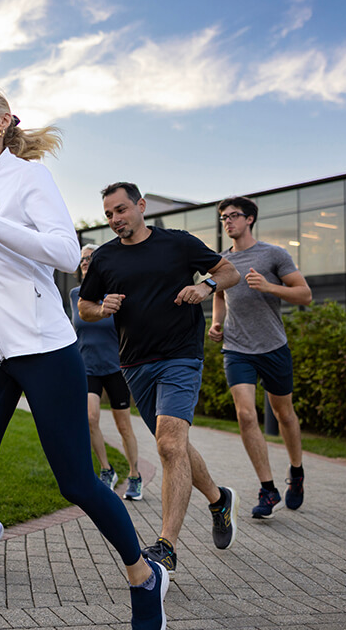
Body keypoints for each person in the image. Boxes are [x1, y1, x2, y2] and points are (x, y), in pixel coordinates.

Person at [0, 84, 167, 630]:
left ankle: (143, 576)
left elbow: (63, 253)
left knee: (77, 482)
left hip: (42, 346)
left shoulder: (28, 177)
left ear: (3, 120)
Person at [78, 181, 242, 576]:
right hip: (134, 364)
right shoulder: (104, 259)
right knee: (175, 447)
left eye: (121, 210)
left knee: (169, 444)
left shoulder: (178, 243)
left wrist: (205, 286)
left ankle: (166, 546)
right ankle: (219, 500)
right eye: (109, 215)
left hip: (181, 355)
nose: (116, 220)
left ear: (141, 206)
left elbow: (229, 271)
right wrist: (102, 309)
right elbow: (84, 307)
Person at [209, 196, 312, 518]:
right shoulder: (221, 261)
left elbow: (305, 295)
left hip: (273, 346)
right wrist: (216, 321)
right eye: (224, 217)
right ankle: (268, 489)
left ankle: (296, 472)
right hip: (237, 348)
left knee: (284, 415)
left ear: (250, 219)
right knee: (246, 414)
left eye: (234, 216)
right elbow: (220, 295)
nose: (228, 222)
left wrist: (269, 287)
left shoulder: (273, 254)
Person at [70, 244, 143, 501]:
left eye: (91, 258)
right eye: (82, 260)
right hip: (87, 366)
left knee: (124, 426)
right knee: (90, 419)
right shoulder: (75, 295)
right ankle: (106, 470)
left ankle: (135, 475)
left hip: (117, 368)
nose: (86, 262)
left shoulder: (115, 294)